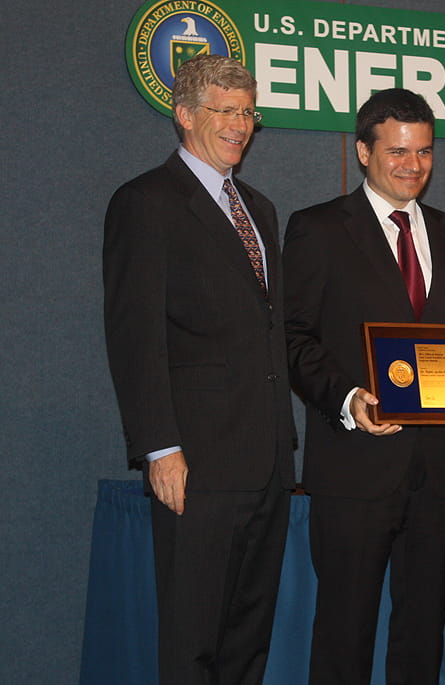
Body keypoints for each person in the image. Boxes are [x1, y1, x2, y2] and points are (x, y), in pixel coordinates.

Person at [282, 87, 445, 685]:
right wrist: (347, 398)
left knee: (422, 637)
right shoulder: (318, 229)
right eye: (397, 151)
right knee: (344, 637)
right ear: (363, 152)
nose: (413, 165)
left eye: (424, 151)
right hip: (355, 468)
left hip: (441, 472)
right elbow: (293, 336)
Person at [103, 54, 296, 685]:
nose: (241, 125)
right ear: (184, 114)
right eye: (226, 111)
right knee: (192, 642)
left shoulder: (260, 208)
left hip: (268, 462)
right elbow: (134, 337)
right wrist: (160, 447)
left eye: (249, 112)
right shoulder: (145, 203)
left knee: (248, 640)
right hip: (197, 465)